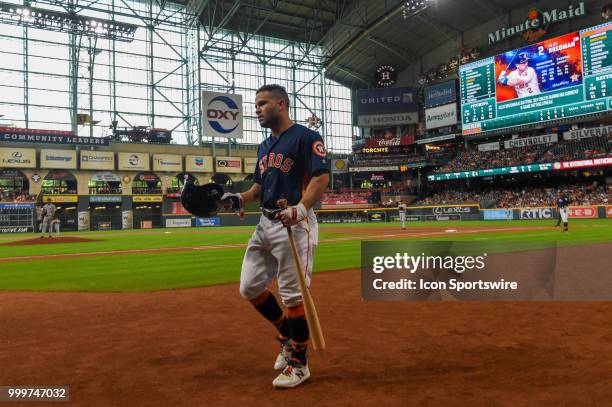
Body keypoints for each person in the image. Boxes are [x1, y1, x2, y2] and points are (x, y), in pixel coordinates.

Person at [221, 84, 329, 389]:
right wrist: (238, 199)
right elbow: (257, 189)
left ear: (281, 105)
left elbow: (321, 177)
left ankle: (300, 364)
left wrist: (302, 209)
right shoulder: (264, 146)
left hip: (294, 226)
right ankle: (286, 335)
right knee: (249, 286)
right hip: (265, 224)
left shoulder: (307, 137)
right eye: (256, 105)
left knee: (293, 297)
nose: (256, 109)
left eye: (262, 103)